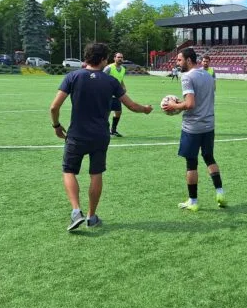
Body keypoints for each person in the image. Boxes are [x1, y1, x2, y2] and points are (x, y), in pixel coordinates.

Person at [50, 43, 153, 231]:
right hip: (100, 135)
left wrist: (56, 126)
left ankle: (75, 212)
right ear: (104, 59)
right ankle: (91, 217)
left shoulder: (72, 76)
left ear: (86, 57)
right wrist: (145, 109)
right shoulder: (110, 81)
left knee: (68, 171)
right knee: (96, 174)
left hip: (76, 135)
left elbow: (54, 107)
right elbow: (131, 105)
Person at [162, 47, 226, 211]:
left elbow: (190, 104)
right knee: (209, 157)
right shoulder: (208, 75)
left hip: (192, 127)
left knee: (191, 164)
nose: (177, 62)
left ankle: (193, 202)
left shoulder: (187, 77)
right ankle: (220, 193)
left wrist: (174, 106)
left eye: (179, 60)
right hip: (209, 125)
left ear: (189, 60)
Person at [103, 52, 126, 137]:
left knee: (118, 112)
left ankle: (113, 130)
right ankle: (104, 131)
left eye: (121, 57)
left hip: (117, 95)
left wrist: (123, 86)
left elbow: (121, 79)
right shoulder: (108, 68)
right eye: (118, 57)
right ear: (114, 58)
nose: (120, 59)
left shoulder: (123, 69)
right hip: (107, 95)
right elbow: (101, 77)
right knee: (106, 113)